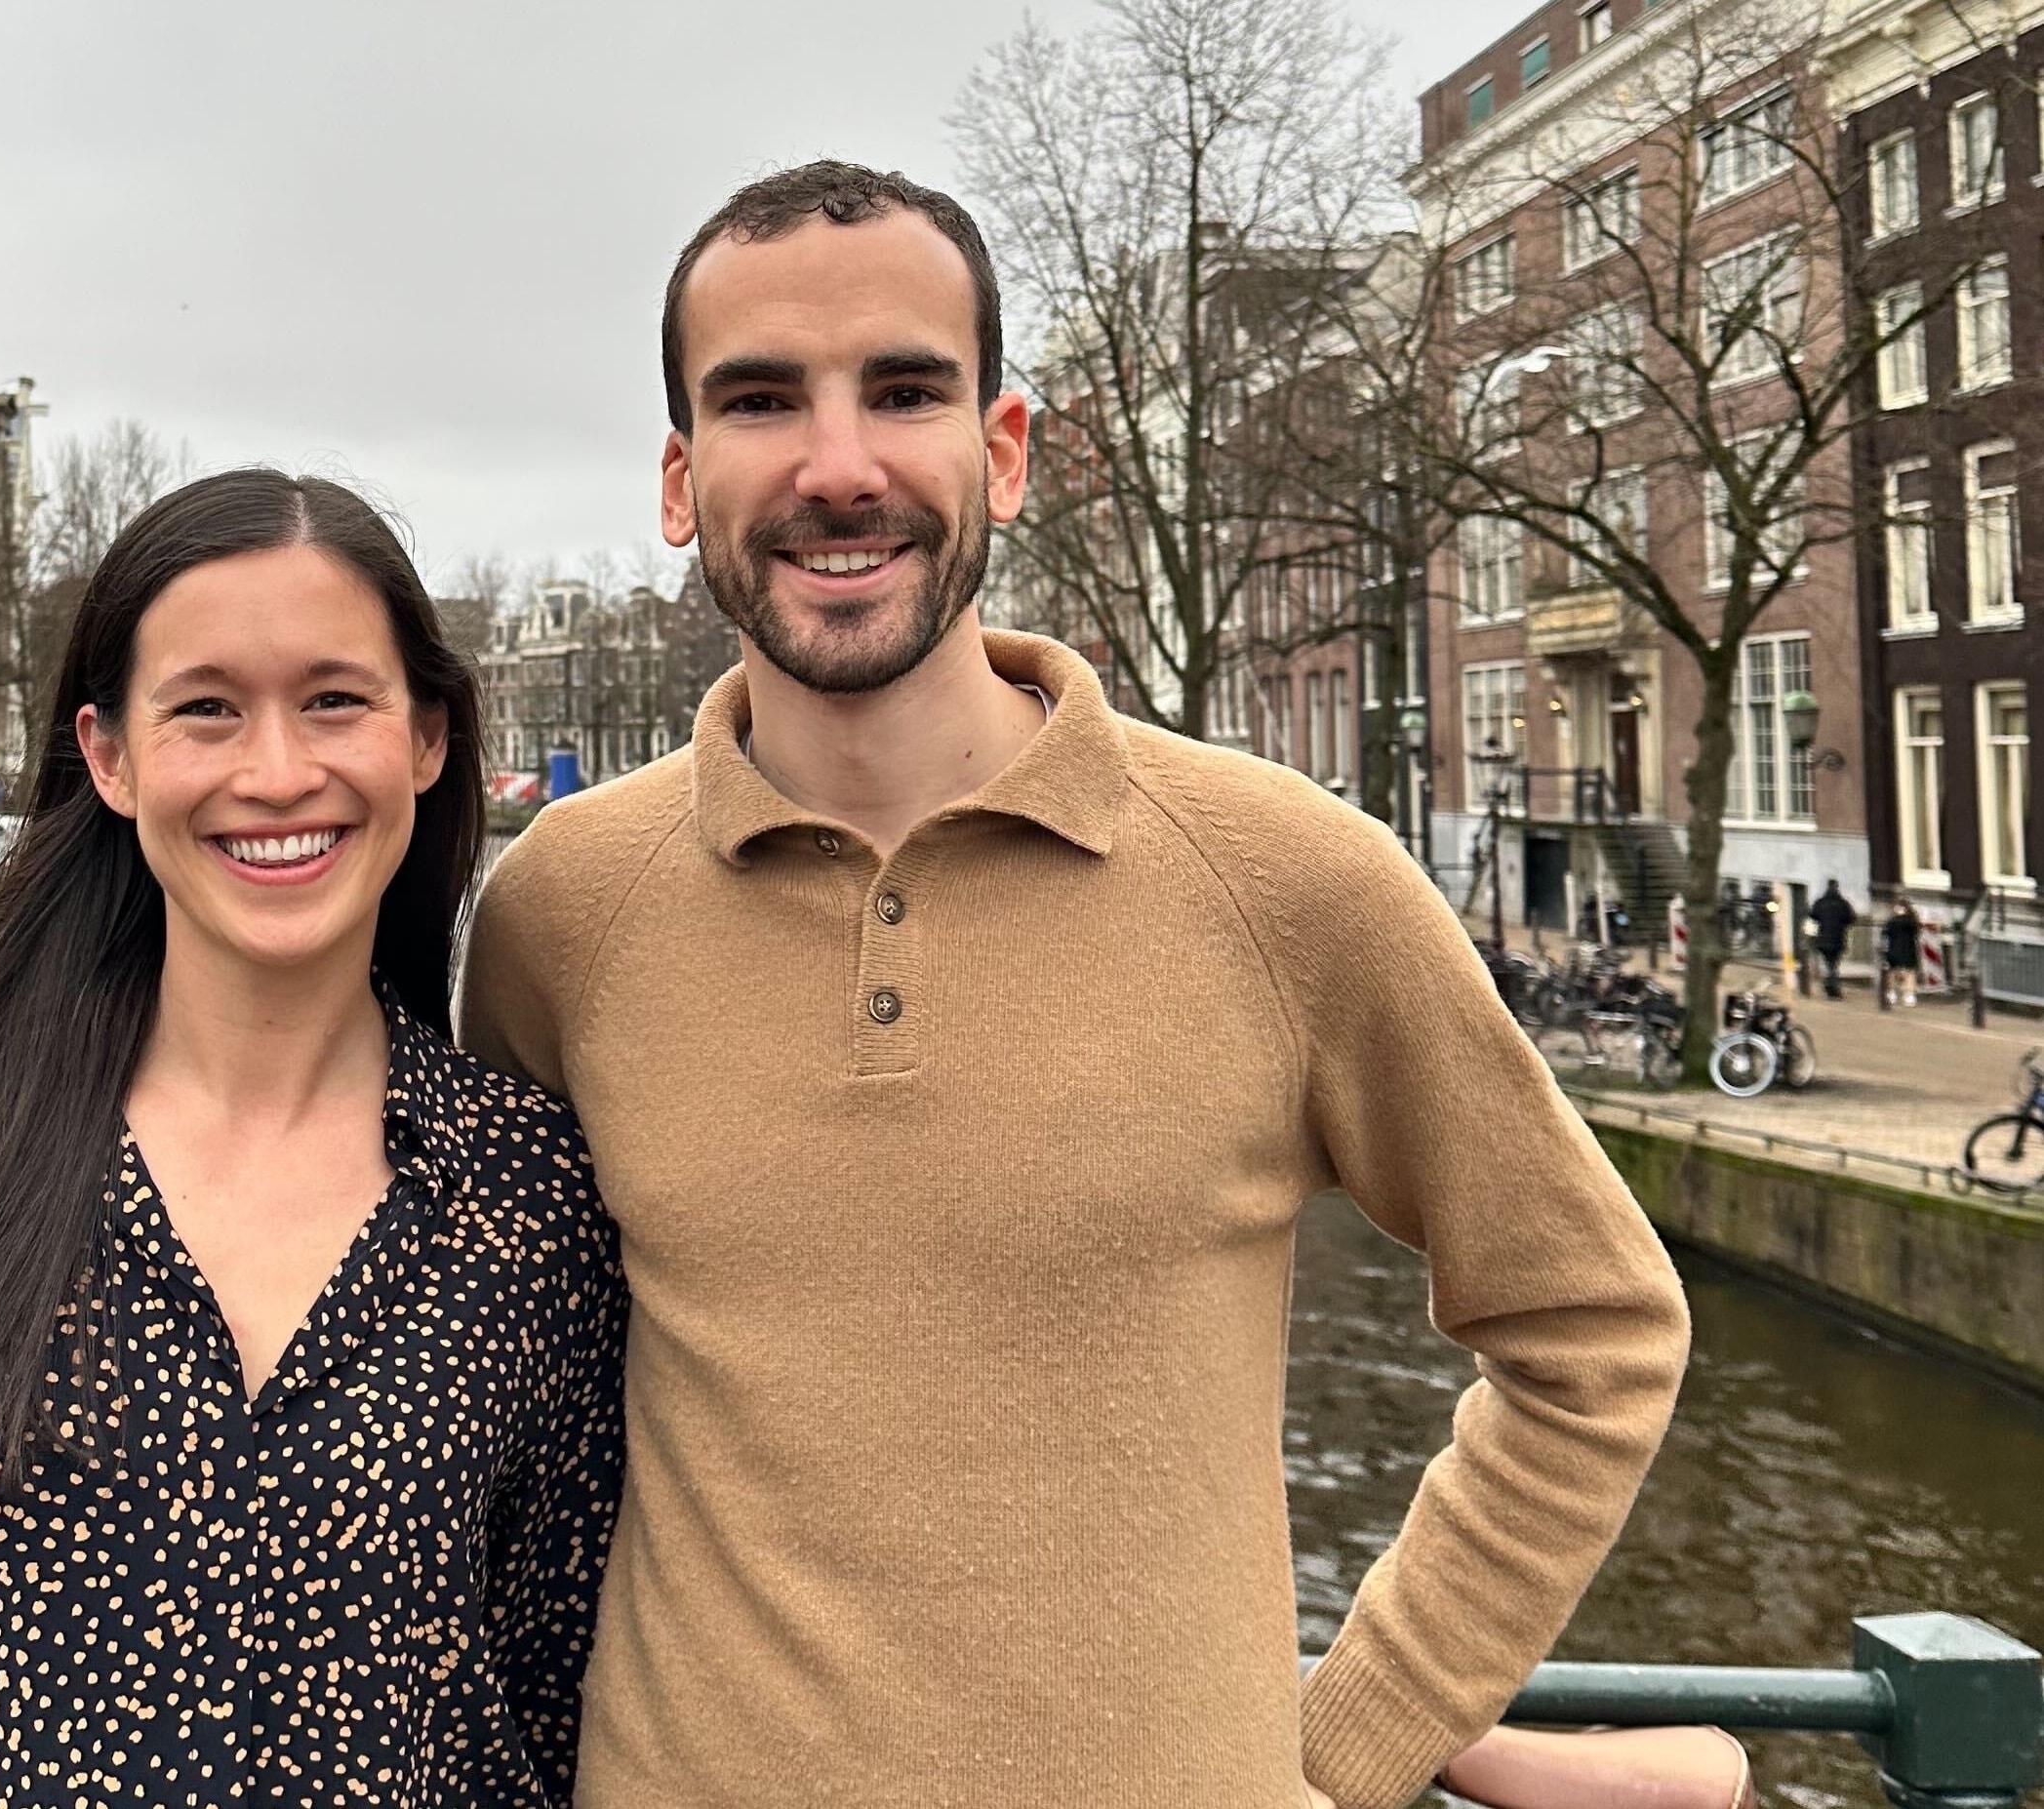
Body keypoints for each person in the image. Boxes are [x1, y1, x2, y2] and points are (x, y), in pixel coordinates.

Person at [461, 162, 1701, 1809]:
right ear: (683, 479)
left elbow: (1589, 1325)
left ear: (1002, 451)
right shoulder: (564, 909)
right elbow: (515, 1396)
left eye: (903, 390)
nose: (838, 467)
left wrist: (1343, 1737)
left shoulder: (1288, 882)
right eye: (762, 400)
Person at [0, 469, 623, 1808]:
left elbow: (555, 1702)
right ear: (108, 755)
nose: (276, 771)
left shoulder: (536, 1201)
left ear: (426, 739)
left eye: (334, 700)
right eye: (207, 709)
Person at [1809, 879, 1856, 1000]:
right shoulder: (1843, 903)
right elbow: (1851, 919)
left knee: (1829, 964)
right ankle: (1832, 986)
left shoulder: (1820, 902)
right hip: (1838, 938)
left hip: (1823, 938)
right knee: (1833, 964)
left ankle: (1830, 985)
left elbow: (1813, 915)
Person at [1881, 895, 1925, 1007]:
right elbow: (1918, 932)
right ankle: (1909, 996)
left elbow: (1885, 933)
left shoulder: (1892, 921)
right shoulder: (1912, 921)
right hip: (1909, 950)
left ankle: (1892, 994)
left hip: (1893, 951)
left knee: (1893, 973)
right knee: (1909, 974)